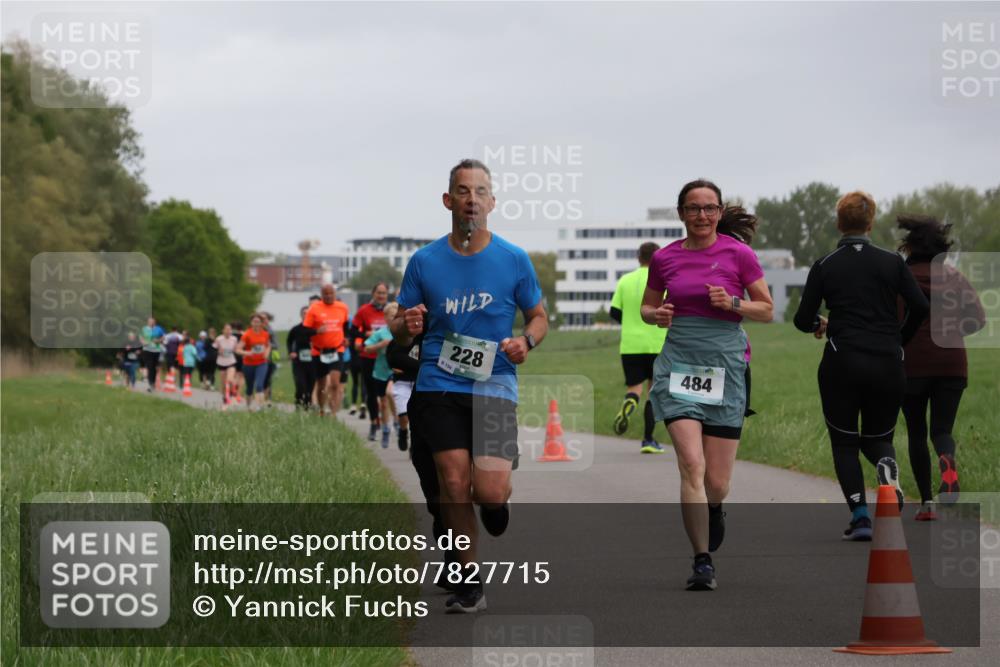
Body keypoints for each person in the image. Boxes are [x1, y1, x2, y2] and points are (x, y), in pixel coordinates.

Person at [390, 158, 547, 613]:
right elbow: (401, 329)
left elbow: (538, 316)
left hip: (495, 382)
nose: (471, 199)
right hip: (439, 383)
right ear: (448, 201)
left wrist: (526, 341)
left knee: (490, 491)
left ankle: (496, 509)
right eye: (463, 190)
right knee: (453, 483)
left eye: (480, 191)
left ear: (492, 202)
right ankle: (470, 583)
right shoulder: (424, 261)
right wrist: (408, 324)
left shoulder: (513, 259)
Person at [642, 179, 774, 591]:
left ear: (719, 212)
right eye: (694, 208)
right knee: (691, 465)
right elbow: (647, 307)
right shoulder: (665, 258)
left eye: (709, 208)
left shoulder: (739, 254)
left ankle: (714, 507)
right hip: (678, 365)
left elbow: (767, 310)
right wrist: (657, 314)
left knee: (717, 482)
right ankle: (702, 560)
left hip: (727, 369)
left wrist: (733, 303)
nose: (702, 215)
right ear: (681, 213)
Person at [793, 191, 929, 541]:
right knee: (879, 437)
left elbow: (802, 318)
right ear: (871, 223)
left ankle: (860, 516)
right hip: (888, 361)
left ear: (839, 223)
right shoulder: (893, 262)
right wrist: (899, 339)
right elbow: (921, 306)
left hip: (843, 360)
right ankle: (887, 469)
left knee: (844, 442)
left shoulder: (826, 264)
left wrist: (818, 326)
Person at [897, 215, 985, 519]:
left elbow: (890, 321)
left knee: (917, 433)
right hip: (952, 362)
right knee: (942, 430)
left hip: (911, 365)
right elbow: (978, 319)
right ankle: (947, 459)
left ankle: (926, 504)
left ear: (909, 246)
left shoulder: (901, 278)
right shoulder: (953, 276)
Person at [610, 241, 667, 453]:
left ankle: (629, 403)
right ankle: (648, 440)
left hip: (630, 344)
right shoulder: (662, 279)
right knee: (653, 392)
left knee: (634, 388)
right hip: (657, 343)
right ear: (658, 258)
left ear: (638, 257)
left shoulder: (625, 280)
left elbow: (614, 312)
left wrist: (631, 322)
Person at [303, 284, 351, 417]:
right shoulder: (314, 308)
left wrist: (347, 338)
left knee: (335, 383)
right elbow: (305, 331)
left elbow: (346, 326)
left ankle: (334, 413)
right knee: (321, 384)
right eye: (326, 294)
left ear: (335, 294)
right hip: (319, 352)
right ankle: (322, 410)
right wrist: (316, 331)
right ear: (321, 295)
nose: (329, 296)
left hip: (337, 349)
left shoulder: (342, 307)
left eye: (331, 294)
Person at [354, 283, 391, 439]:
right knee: (371, 393)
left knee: (387, 393)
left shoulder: (392, 311)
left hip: (388, 359)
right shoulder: (364, 310)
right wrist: (365, 335)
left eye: (384, 293)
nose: (381, 296)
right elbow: (353, 330)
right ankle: (374, 422)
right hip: (369, 357)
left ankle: (390, 422)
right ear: (373, 293)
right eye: (379, 293)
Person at [364, 302, 399, 448]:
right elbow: (366, 349)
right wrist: (380, 345)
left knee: (390, 394)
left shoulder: (402, 332)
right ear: (385, 318)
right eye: (391, 316)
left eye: (397, 316)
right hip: (380, 372)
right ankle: (385, 429)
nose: (394, 318)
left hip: (396, 372)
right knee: (383, 403)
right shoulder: (380, 333)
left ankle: (397, 421)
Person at [386, 332, 422, 452]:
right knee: (404, 415)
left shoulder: (427, 339)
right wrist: (391, 367)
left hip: (419, 383)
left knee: (417, 416)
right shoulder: (402, 339)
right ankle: (403, 431)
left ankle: (414, 442)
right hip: (402, 382)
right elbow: (391, 357)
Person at [235, 313, 272, 411]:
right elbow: (238, 349)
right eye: (254, 321)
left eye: (258, 322)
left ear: (261, 323)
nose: (256, 323)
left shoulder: (265, 334)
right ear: (251, 323)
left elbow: (268, 345)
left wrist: (266, 353)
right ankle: (248, 407)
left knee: (259, 385)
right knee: (249, 388)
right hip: (248, 364)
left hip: (262, 363)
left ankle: (260, 407)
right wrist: (248, 353)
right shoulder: (247, 334)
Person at [288, 306, 318, 410]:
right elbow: (289, 341)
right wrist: (291, 352)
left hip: (313, 362)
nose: (306, 315)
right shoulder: (296, 329)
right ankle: (298, 402)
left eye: (308, 313)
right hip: (299, 362)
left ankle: (307, 407)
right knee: (300, 384)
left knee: (311, 386)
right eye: (304, 313)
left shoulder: (315, 329)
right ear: (301, 315)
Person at [214, 324, 239, 406]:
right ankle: (225, 397)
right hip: (221, 362)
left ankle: (233, 392)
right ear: (223, 330)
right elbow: (214, 349)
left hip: (231, 361)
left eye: (230, 330)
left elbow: (236, 350)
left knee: (230, 379)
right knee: (223, 382)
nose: (228, 331)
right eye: (226, 329)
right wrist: (219, 351)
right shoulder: (218, 339)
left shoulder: (234, 339)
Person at [140, 317, 165, 392]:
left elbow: (163, 337)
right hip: (147, 350)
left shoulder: (159, 329)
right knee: (149, 366)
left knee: (154, 367)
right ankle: (150, 384)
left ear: (154, 322)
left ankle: (153, 383)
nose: (151, 323)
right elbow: (141, 337)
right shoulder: (144, 329)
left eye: (152, 322)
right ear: (147, 322)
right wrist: (143, 342)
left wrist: (158, 340)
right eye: (149, 322)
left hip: (156, 350)